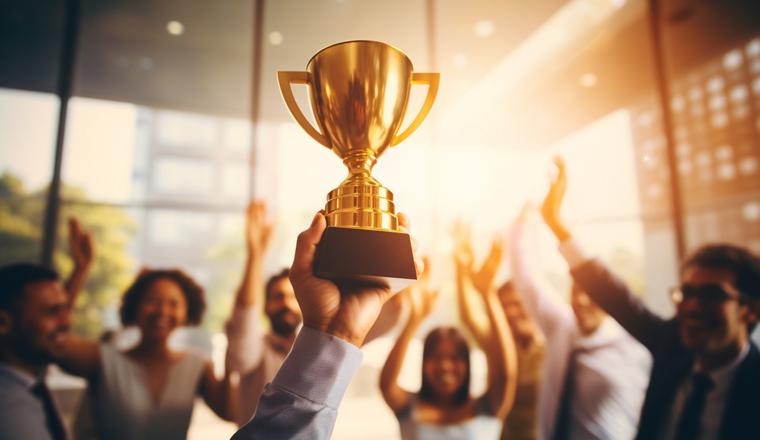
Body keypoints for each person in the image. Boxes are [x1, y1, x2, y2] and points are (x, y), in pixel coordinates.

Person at [541, 156, 760, 440]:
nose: (693, 306)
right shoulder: (672, 346)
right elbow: (615, 296)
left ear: (750, 311)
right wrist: (555, 223)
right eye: (687, 293)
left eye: (712, 294)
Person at [231, 210, 424, 440]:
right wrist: (256, 256)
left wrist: (390, 269)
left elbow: (385, 318)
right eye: (277, 296)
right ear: (265, 307)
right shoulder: (257, 350)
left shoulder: (319, 339)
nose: (285, 302)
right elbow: (243, 330)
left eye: (291, 296)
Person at [51, 219, 235, 440]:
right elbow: (54, 339)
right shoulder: (104, 360)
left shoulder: (198, 366)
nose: (162, 311)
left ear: (187, 313)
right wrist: (80, 269)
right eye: (152, 300)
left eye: (174, 303)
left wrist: (233, 350)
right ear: (134, 307)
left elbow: (229, 413)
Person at [509, 201, 652, 440]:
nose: (582, 301)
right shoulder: (561, 326)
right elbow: (525, 277)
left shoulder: (634, 346)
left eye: (593, 294)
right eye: (576, 291)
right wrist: (519, 226)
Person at [378, 227, 517, 440]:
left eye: (454, 358)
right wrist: (415, 319)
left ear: (468, 364)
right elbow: (386, 384)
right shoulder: (408, 406)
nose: (445, 366)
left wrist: (488, 293)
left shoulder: (488, 407)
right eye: (436, 357)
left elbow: (506, 375)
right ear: (424, 362)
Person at [452, 222, 544, 440]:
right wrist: (461, 268)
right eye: (505, 306)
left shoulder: (553, 343)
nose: (512, 312)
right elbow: (469, 315)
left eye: (517, 304)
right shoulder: (498, 345)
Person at [0, 263, 72, 440]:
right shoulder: (9, 407)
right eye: (53, 311)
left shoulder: (32, 384)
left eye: (66, 309)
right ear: (3, 323)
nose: (67, 322)